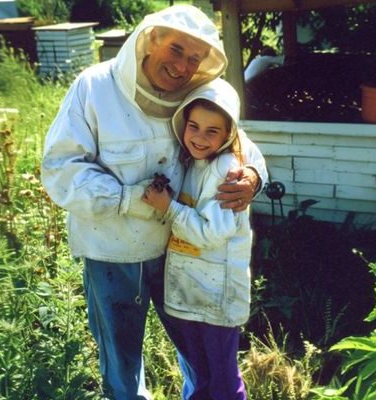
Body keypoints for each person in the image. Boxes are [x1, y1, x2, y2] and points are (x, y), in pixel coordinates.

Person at [41, 5, 268, 399]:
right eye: (176, 50)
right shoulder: (94, 87)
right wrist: (131, 199)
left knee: (196, 354)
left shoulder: (195, 94)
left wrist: (253, 177)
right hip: (112, 253)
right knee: (122, 361)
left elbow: (238, 143)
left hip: (179, 252)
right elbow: (62, 169)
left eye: (194, 58)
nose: (183, 66)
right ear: (151, 39)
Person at [142, 78, 262, 400]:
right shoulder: (191, 163)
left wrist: (169, 208)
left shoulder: (227, 171)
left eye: (212, 131)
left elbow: (211, 233)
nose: (199, 137)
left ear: (229, 135)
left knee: (223, 381)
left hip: (217, 295)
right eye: (193, 126)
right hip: (193, 292)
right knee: (202, 377)